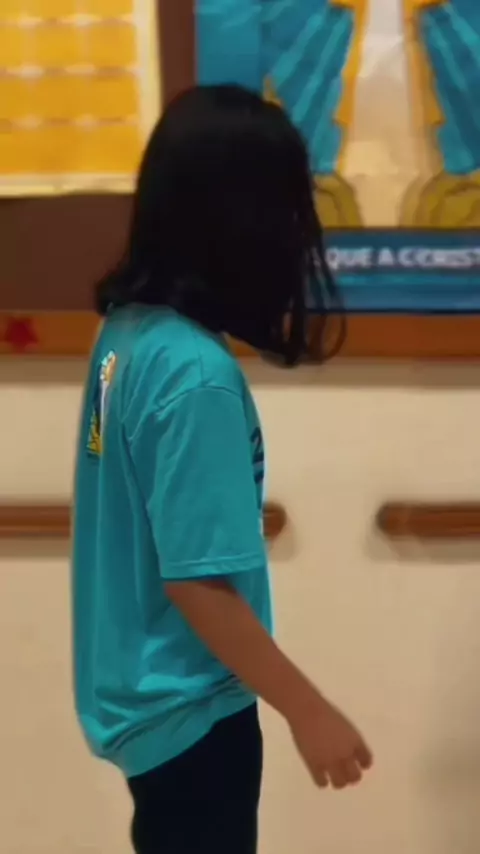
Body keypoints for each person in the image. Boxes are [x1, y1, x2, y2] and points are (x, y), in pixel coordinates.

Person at [72, 84, 372, 854]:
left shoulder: (128, 337)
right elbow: (198, 584)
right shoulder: (194, 375)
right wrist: (308, 709)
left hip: (146, 709)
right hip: (193, 718)